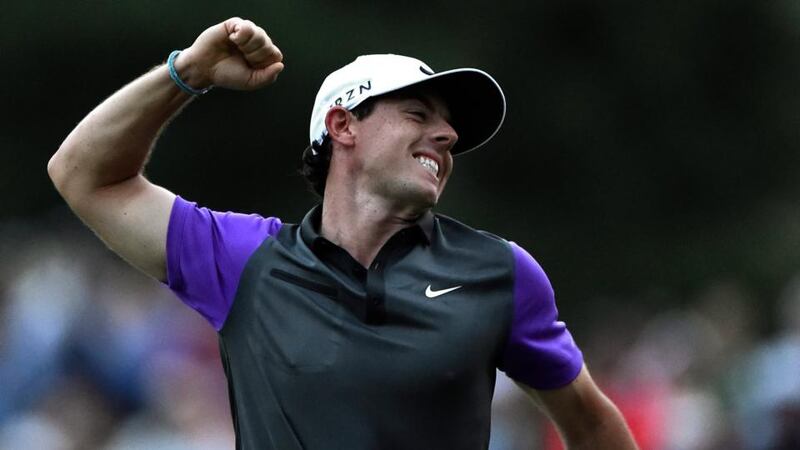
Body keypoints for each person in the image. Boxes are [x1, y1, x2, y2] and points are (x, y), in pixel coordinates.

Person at [48, 17, 638, 450]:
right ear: (342, 125)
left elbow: (591, 424)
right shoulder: (243, 261)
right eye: (419, 114)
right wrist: (188, 72)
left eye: (449, 125)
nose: (448, 135)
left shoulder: (500, 273)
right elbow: (82, 175)